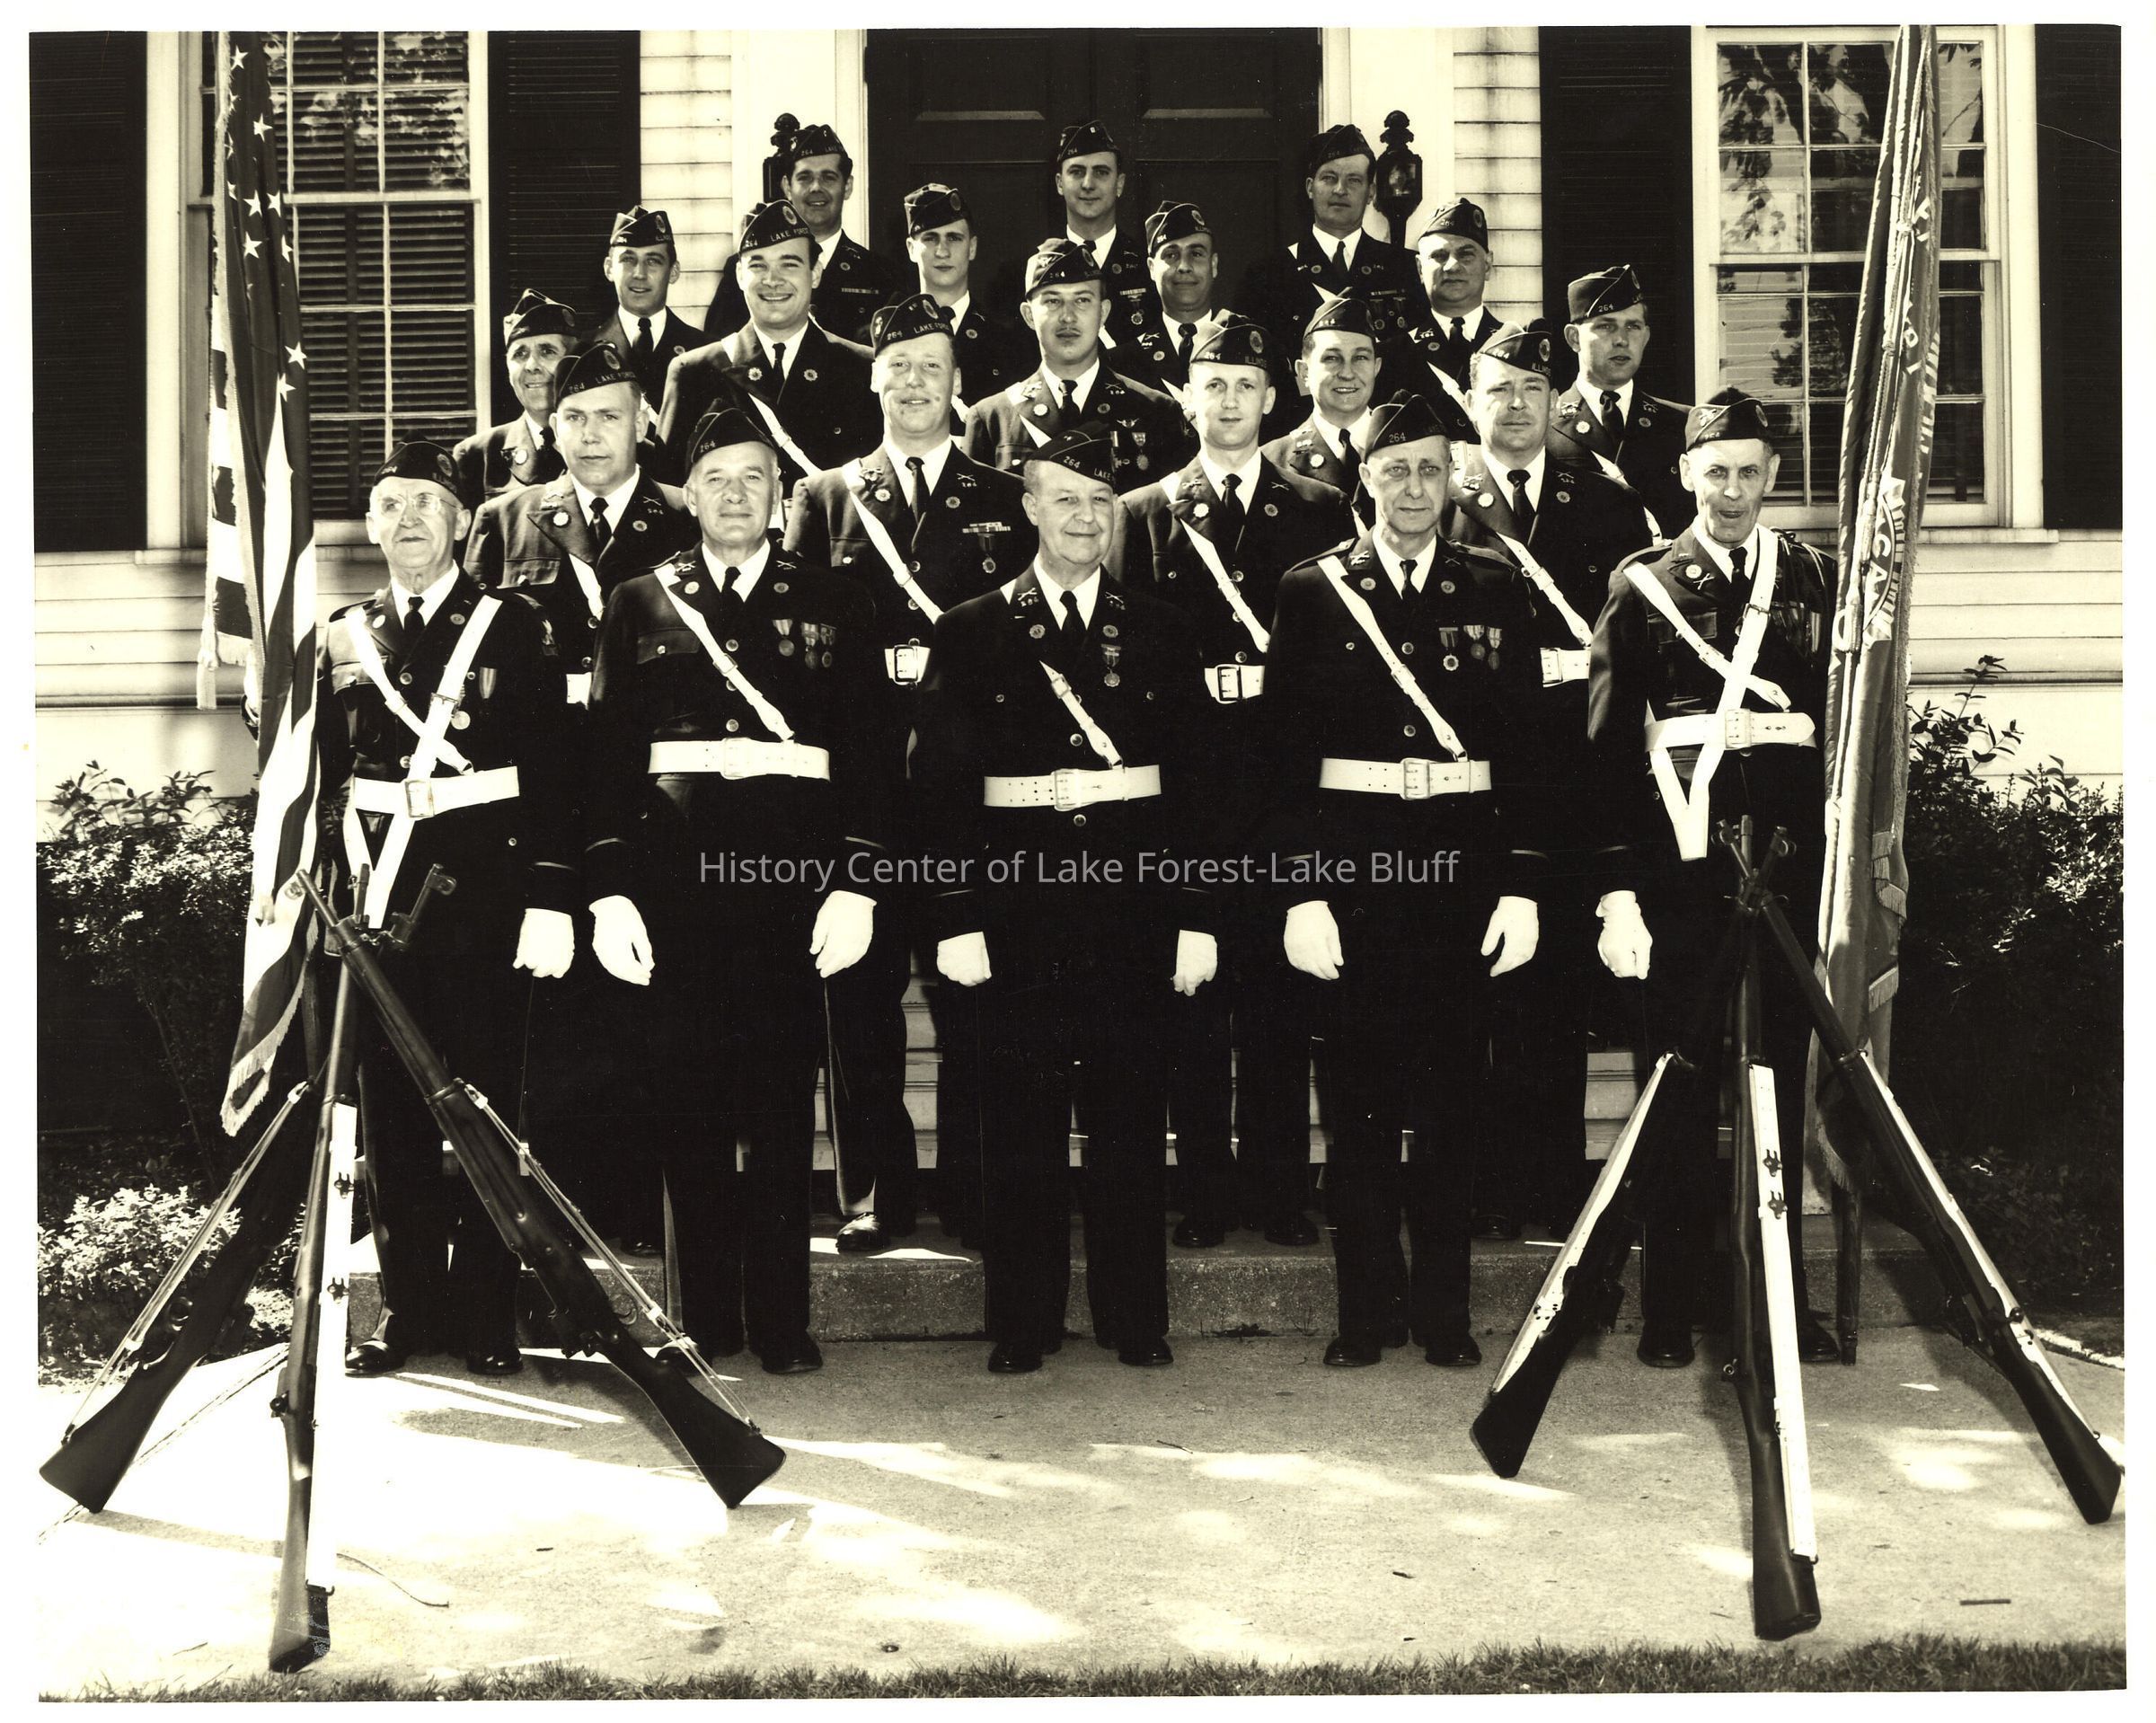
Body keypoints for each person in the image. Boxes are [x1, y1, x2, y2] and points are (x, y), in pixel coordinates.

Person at [581, 407, 889, 1374]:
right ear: (689, 495)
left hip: (791, 891)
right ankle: (705, 1320)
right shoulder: (639, 598)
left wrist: (858, 882)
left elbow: (872, 753)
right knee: (689, 1110)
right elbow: (606, 759)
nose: (734, 495)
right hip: (675, 891)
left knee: (782, 1110)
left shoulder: (836, 598)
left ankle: (783, 1321)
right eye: (715, 478)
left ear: (780, 495)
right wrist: (610, 891)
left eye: (754, 477)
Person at [911, 424, 1217, 1374]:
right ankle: (1025, 1319)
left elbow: (1202, 786)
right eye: (1066, 499)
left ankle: (1135, 1315)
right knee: (1020, 1124)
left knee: (1131, 1117)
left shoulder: (1163, 627)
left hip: (1133, 906)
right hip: (1016, 909)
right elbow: (939, 790)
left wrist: (1197, 914)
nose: (1085, 518)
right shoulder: (972, 628)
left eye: (1100, 501)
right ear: (1030, 508)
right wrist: (955, 916)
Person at [1259, 393, 1548, 1370]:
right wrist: (1301, 893)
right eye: (1396, 471)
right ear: (1365, 482)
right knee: (1358, 1110)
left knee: (1453, 1107)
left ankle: (1445, 1314)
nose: (1415, 488)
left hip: (1462, 878)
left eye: (1431, 469)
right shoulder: (1313, 590)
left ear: (1452, 479)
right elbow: (1284, 760)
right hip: (1356, 877)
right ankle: (1366, 1312)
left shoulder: (1494, 585)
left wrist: (1521, 886)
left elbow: (1526, 749)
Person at [1587, 388, 1842, 1370]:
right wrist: (1618, 891)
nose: (1731, 492)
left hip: (1784, 872)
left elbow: (1840, 731)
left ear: (1771, 476)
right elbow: (1609, 752)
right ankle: (1672, 1305)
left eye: (1748, 473)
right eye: (1714, 472)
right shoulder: (1643, 585)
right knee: (1679, 1090)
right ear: (1685, 474)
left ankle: (1780, 1304)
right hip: (1682, 878)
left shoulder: (1813, 578)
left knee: (1778, 1090)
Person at [784, 295, 1038, 1255]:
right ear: (874, 381)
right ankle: (876, 1196)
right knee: (858, 1002)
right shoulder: (825, 498)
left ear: (958, 382)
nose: (916, 382)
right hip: (864, 789)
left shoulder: (1004, 494)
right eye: (899, 367)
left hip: (970, 792)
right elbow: (797, 640)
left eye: (933, 365)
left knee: (977, 999)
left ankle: (972, 1191)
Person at [325, 442, 576, 1379]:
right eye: (391, 504)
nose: (409, 520)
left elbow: (555, 772)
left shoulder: (514, 625)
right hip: (380, 903)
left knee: (484, 1111)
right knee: (392, 1117)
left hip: (484, 900)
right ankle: (409, 1311)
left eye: (428, 503)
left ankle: (485, 1312)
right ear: (371, 525)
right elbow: (327, 780)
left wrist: (550, 894)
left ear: (464, 521)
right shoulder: (343, 636)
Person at [463, 340, 698, 1257]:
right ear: (548, 428)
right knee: (554, 1006)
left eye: (610, 415)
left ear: (644, 422)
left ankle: (645, 1213)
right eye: (573, 418)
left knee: (652, 996)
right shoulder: (505, 520)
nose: (592, 434)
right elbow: (471, 652)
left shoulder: (684, 514)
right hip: (544, 785)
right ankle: (559, 1215)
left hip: (651, 785)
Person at [1119, 317, 1348, 1249]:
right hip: (1187, 780)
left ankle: (1280, 1191)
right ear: (1186, 397)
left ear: (1272, 398)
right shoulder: (1144, 512)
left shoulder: (1322, 507)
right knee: (1194, 997)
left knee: (1281, 996)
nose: (1227, 400)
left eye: (1244, 384)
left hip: (1286, 771)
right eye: (1211, 383)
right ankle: (1207, 1193)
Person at [1440, 323, 1655, 1241]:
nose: (1519, 404)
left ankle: (1554, 1188)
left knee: (1556, 983)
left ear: (1554, 396)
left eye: (1534, 388)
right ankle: (1477, 1188)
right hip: (1470, 761)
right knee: (1473, 981)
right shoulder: (1439, 494)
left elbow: (1627, 639)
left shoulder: (1601, 496)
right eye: (1500, 388)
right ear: (1472, 400)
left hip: (1572, 761)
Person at [659, 199, 880, 489]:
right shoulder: (694, 372)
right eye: (758, 266)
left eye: (789, 265)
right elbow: (671, 489)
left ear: (815, 273)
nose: (772, 280)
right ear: (740, 275)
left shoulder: (864, 368)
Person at [961, 238, 1192, 493]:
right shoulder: (993, 418)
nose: (1068, 317)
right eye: (1053, 301)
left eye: (1082, 300)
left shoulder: (1158, 413)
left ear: (1103, 312)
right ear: (1028, 315)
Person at [1235, 123, 1422, 377]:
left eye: (1354, 180)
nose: (1340, 190)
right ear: (1310, 187)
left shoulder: (1404, 268)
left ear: (1371, 192)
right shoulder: (1267, 275)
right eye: (1329, 178)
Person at [702, 123, 908, 347]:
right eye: (805, 178)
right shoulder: (746, 270)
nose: (816, 187)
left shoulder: (881, 274)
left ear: (847, 186)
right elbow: (720, 352)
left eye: (828, 177)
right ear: (787, 187)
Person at [1548, 264, 1693, 538]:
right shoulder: (1545, 427)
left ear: (1646, 337)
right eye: (1606, 326)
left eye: (1633, 326)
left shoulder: (1683, 424)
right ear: (1573, 338)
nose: (1622, 340)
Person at [895, 181, 1034, 410]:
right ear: (911, 249)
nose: (942, 251)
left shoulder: (1009, 342)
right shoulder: (889, 334)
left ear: (972, 247)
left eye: (954, 238)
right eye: (930, 238)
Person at [453, 288, 577, 505]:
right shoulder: (477, 456)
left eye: (547, 352)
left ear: (573, 362)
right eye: (520, 354)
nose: (531, 366)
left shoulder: (604, 444)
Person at [1259, 290, 1385, 501]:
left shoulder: (1411, 448)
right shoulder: (1270, 462)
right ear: (1304, 373)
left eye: (1360, 358)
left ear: (1376, 367)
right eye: (1331, 358)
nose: (1347, 373)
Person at [583, 206, 705, 405]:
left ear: (673, 272)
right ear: (609, 268)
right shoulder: (583, 350)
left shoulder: (704, 351)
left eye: (653, 261)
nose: (639, 273)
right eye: (628, 259)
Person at [1050, 120, 1154, 349]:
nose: (1088, 184)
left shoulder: (1149, 266)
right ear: (1060, 183)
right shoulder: (1036, 267)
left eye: (1101, 172)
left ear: (1119, 184)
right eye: (1077, 172)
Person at [1120, 201, 1236, 394]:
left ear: (1214, 265)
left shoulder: (1242, 344)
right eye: (1171, 255)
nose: (1184, 266)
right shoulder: (1122, 363)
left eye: (1196, 254)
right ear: (1151, 268)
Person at [1401, 199, 1504, 400]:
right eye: (1439, 256)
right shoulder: (1396, 353)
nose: (1452, 266)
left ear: (1487, 265)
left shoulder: (1513, 343)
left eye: (1466, 255)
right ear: (1420, 269)